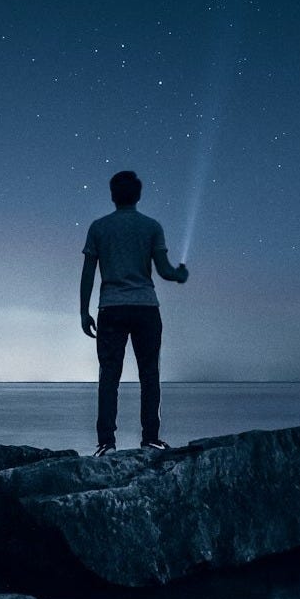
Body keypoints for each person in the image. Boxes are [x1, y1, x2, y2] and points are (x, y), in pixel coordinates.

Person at [80, 169, 188, 456]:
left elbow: (88, 273)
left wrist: (83, 311)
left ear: (113, 195)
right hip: (145, 308)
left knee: (109, 376)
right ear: (138, 195)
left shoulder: (99, 227)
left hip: (111, 308)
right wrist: (180, 274)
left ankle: (106, 442)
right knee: (149, 373)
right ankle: (150, 437)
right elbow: (164, 271)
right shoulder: (151, 227)